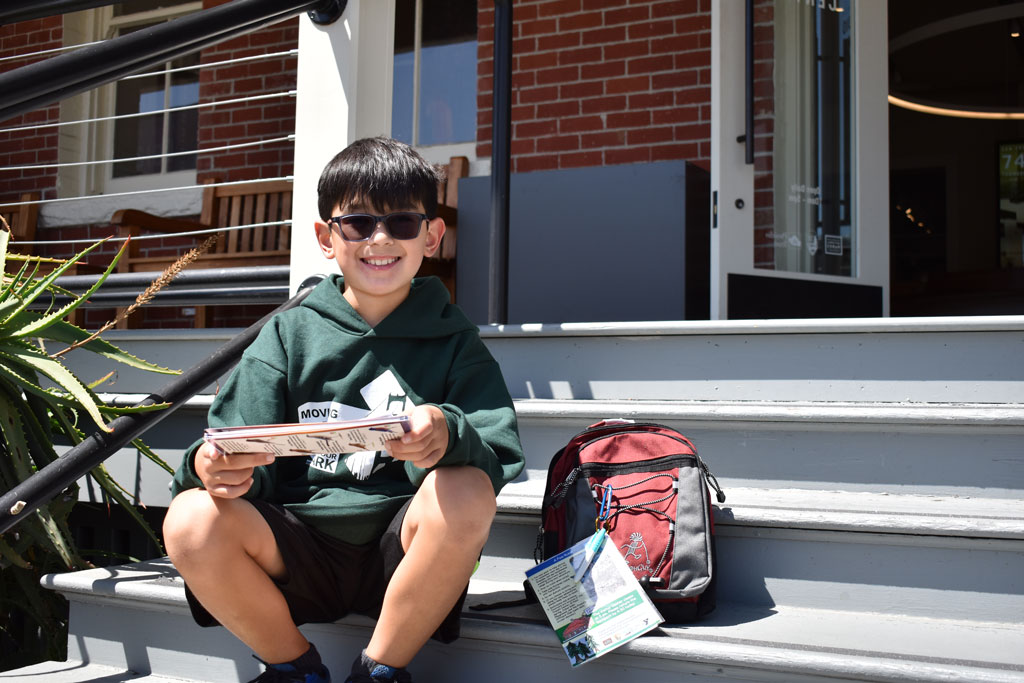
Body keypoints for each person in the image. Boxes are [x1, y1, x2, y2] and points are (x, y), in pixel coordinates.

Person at [162, 137, 525, 683]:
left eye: (402, 223)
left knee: (468, 488)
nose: (380, 239)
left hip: (403, 554)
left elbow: (498, 451)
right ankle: (294, 668)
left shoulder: (456, 340)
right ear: (325, 238)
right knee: (190, 518)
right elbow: (228, 440)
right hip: (297, 547)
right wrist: (212, 467)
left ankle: (379, 670)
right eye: (357, 224)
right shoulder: (288, 333)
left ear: (431, 235)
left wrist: (449, 432)